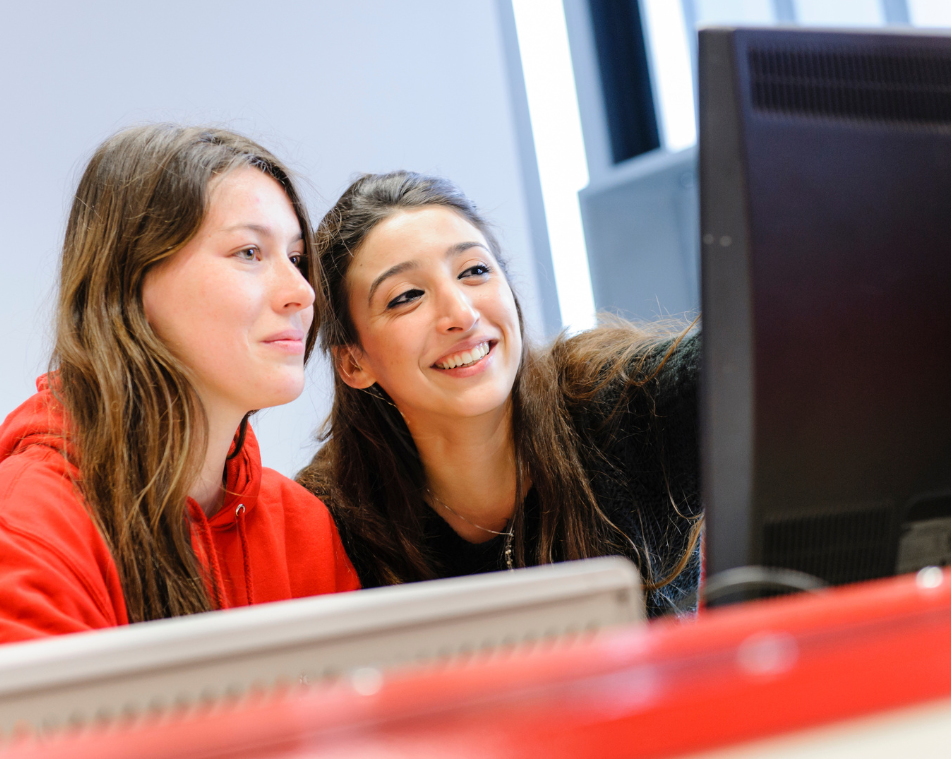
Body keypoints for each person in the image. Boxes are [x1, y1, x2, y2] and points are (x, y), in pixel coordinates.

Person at [0, 125, 358, 651]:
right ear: (130, 282)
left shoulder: (303, 529)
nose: (301, 293)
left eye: (296, 258)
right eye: (250, 253)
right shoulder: (20, 539)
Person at [298, 171, 701, 617]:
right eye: (407, 296)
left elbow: (761, 352)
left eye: (475, 271)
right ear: (354, 362)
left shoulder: (627, 401)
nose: (462, 314)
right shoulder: (329, 518)